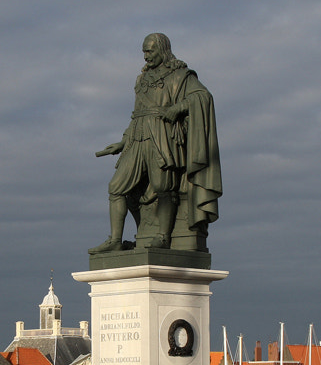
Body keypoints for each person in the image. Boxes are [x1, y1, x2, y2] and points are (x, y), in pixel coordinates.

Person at [90, 33, 222, 254]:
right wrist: (122, 142)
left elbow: (203, 97)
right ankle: (114, 239)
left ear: (162, 49)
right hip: (137, 137)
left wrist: (175, 109)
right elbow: (137, 114)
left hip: (161, 136)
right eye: (143, 52)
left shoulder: (181, 75)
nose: (146, 57)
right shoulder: (141, 79)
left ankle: (162, 236)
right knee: (116, 187)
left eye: (150, 51)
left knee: (163, 188)